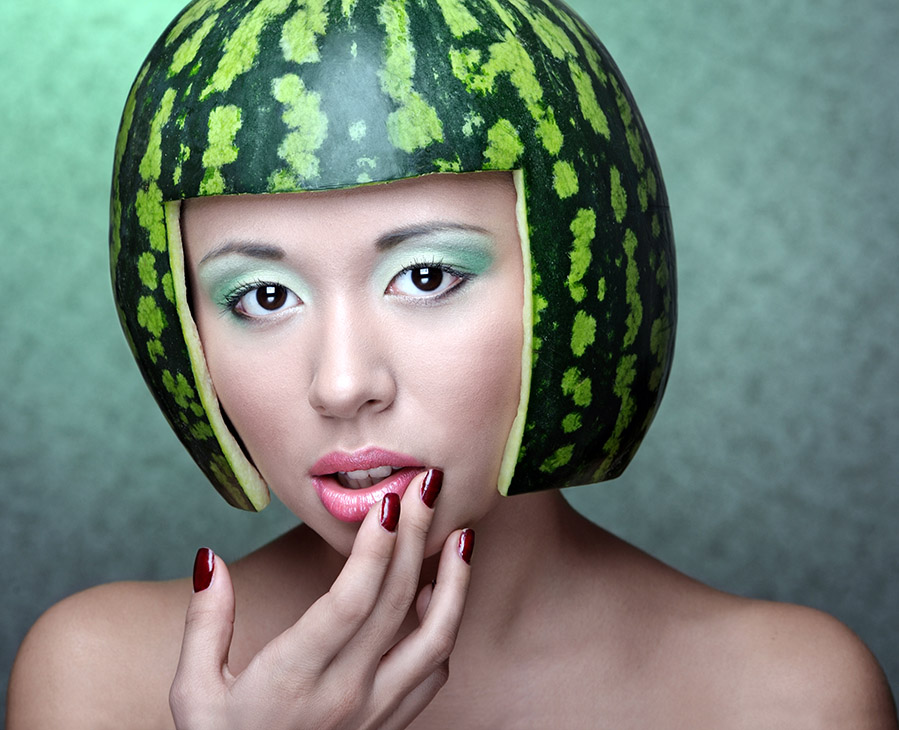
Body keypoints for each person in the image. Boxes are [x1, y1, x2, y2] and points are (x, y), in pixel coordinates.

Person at [8, 0, 896, 727]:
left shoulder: (785, 697)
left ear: (575, 279)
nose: (343, 382)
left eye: (426, 276)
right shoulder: (99, 680)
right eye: (264, 297)